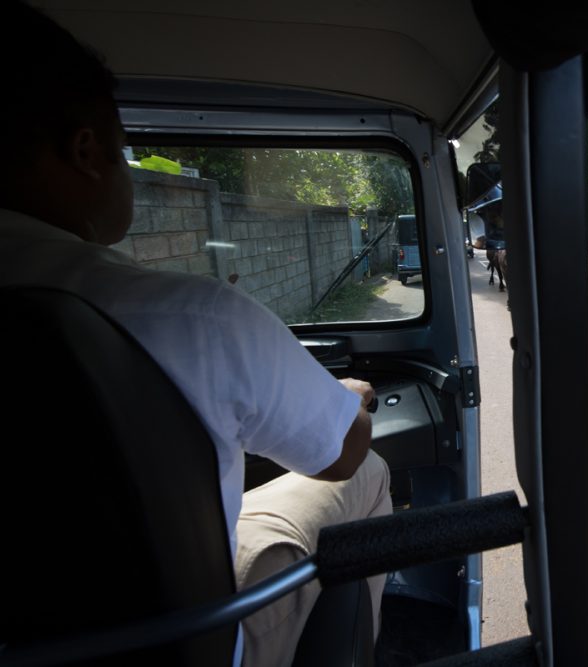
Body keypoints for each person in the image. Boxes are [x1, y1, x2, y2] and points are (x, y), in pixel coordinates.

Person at [0, 3, 392, 666]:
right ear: (86, 150)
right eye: (123, 147)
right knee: (373, 468)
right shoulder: (188, 316)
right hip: (186, 643)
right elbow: (341, 453)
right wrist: (346, 396)